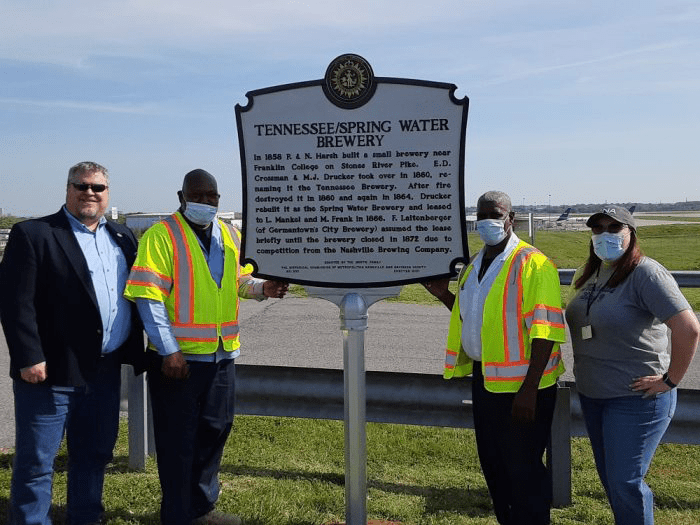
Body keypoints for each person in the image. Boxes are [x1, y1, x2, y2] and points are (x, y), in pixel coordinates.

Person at [124, 169, 288, 525]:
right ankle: (178, 515)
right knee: (178, 441)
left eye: (212, 195)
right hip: (178, 361)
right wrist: (168, 350)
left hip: (222, 356)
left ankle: (201, 509)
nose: (206, 201)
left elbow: (241, 280)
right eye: (198, 195)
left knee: (215, 431)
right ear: (181, 197)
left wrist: (264, 289)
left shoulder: (229, 233)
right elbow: (148, 298)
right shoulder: (161, 235)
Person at [0, 162, 144, 525]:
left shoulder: (123, 237)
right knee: (37, 462)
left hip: (104, 371)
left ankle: (85, 517)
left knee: (94, 456)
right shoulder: (35, 234)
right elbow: (16, 303)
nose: (90, 193)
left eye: (98, 187)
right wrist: (29, 356)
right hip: (50, 371)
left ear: (107, 192)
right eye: (82, 186)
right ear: (68, 189)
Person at [423, 190, 566, 525]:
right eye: (482, 215)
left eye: (496, 215)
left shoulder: (534, 263)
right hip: (487, 381)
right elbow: (471, 315)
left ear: (510, 218)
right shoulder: (474, 264)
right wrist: (445, 295)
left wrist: (529, 389)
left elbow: (546, 330)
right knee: (494, 465)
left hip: (525, 388)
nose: (488, 222)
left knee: (524, 469)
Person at [565, 205, 699, 525]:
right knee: (613, 481)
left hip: (634, 399)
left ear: (630, 233)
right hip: (594, 395)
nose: (605, 234)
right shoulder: (594, 272)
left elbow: (688, 328)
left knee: (625, 483)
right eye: (598, 228)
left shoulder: (645, 273)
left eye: (614, 228)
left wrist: (670, 380)